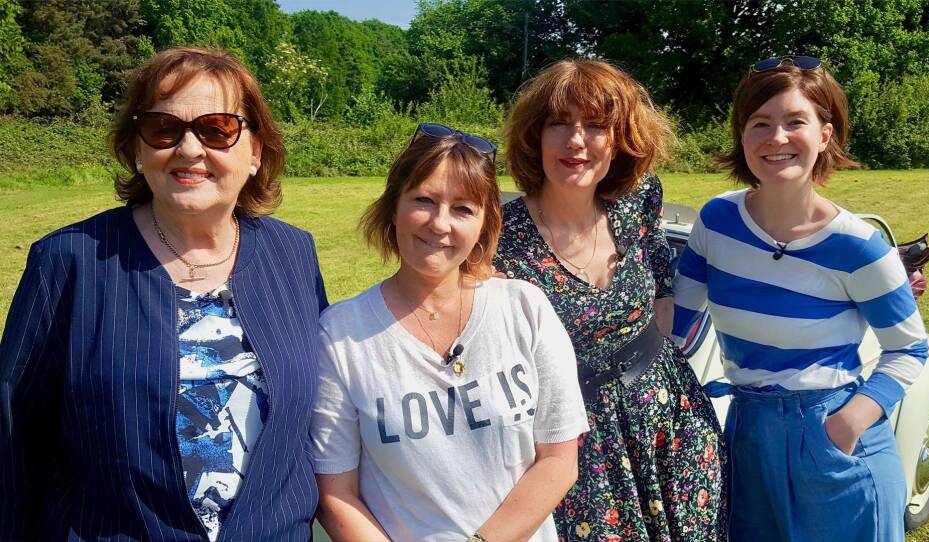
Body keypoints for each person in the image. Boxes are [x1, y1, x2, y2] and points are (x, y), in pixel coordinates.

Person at [0, 47, 328, 541]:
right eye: (163, 128)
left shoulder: (294, 254)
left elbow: (320, 420)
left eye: (217, 129)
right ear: (137, 146)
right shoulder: (68, 262)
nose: (190, 149)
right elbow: (14, 439)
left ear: (256, 150)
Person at [671, 56, 929, 541]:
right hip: (747, 434)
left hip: (833, 439)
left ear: (825, 136)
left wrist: (847, 424)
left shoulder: (858, 247)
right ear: (742, 136)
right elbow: (677, 328)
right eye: (760, 123)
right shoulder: (716, 221)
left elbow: (910, 349)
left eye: (796, 122)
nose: (777, 138)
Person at [310, 123, 589, 542]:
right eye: (423, 200)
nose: (440, 224)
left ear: (484, 223)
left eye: (463, 209)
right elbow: (336, 493)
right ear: (393, 208)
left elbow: (559, 460)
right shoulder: (341, 334)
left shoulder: (525, 308)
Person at [496, 59, 726, 541]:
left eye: (597, 126)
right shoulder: (499, 237)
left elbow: (663, 293)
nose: (576, 141)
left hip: (674, 426)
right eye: (559, 123)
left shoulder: (639, 199)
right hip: (578, 452)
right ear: (534, 137)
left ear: (620, 139)